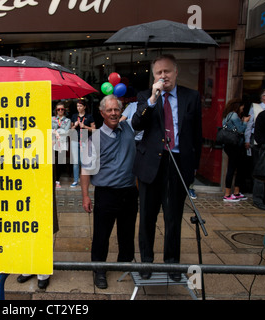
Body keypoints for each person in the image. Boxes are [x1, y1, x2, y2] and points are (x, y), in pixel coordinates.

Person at [131, 54, 202, 282]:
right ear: (154, 76)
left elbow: (197, 135)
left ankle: (172, 263)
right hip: (151, 164)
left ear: (176, 72)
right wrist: (153, 99)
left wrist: (193, 168)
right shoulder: (145, 97)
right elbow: (136, 123)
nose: (163, 76)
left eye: (167, 71)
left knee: (173, 217)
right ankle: (146, 262)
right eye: (159, 73)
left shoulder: (191, 97)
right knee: (147, 218)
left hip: (178, 163)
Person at [81, 95, 138, 289]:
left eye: (117, 110)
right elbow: (85, 170)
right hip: (106, 193)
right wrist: (85, 195)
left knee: (127, 232)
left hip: (129, 192)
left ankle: (124, 264)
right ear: (102, 112)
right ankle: (99, 270)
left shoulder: (129, 129)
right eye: (110, 110)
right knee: (101, 235)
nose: (114, 113)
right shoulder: (94, 138)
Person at [245, 88, 265, 210]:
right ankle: (258, 199)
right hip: (263, 148)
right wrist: (263, 144)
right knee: (261, 174)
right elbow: (256, 131)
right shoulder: (261, 113)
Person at [221, 98, 250, 202]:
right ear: (238, 106)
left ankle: (235, 193)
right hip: (234, 146)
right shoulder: (234, 115)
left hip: (229, 145)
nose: (242, 109)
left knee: (236, 168)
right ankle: (228, 194)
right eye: (242, 107)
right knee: (233, 168)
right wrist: (245, 122)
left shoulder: (227, 115)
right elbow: (241, 130)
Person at [70, 100, 95, 187]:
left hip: (85, 141)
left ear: (84, 107)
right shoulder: (74, 116)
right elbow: (70, 130)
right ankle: (76, 180)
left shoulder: (89, 116)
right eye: (77, 106)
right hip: (75, 140)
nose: (79, 108)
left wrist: (84, 126)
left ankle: (85, 180)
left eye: (80, 106)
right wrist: (75, 125)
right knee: (75, 162)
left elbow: (94, 129)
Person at [52, 102, 71, 188]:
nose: (60, 111)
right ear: (56, 111)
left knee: (60, 163)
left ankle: (57, 181)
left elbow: (66, 132)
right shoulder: (52, 119)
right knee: (52, 162)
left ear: (64, 110)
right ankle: (51, 179)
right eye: (58, 109)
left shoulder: (68, 120)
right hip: (53, 143)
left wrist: (55, 131)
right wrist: (58, 131)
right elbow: (48, 129)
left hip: (62, 143)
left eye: (62, 109)